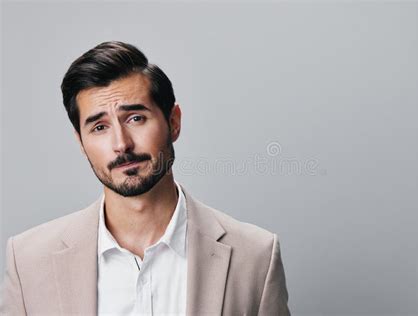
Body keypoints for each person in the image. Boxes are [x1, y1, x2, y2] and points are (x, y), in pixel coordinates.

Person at [0, 41, 290, 315]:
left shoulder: (255, 256)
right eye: (99, 127)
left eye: (135, 118)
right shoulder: (28, 262)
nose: (121, 144)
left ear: (173, 121)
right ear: (80, 141)